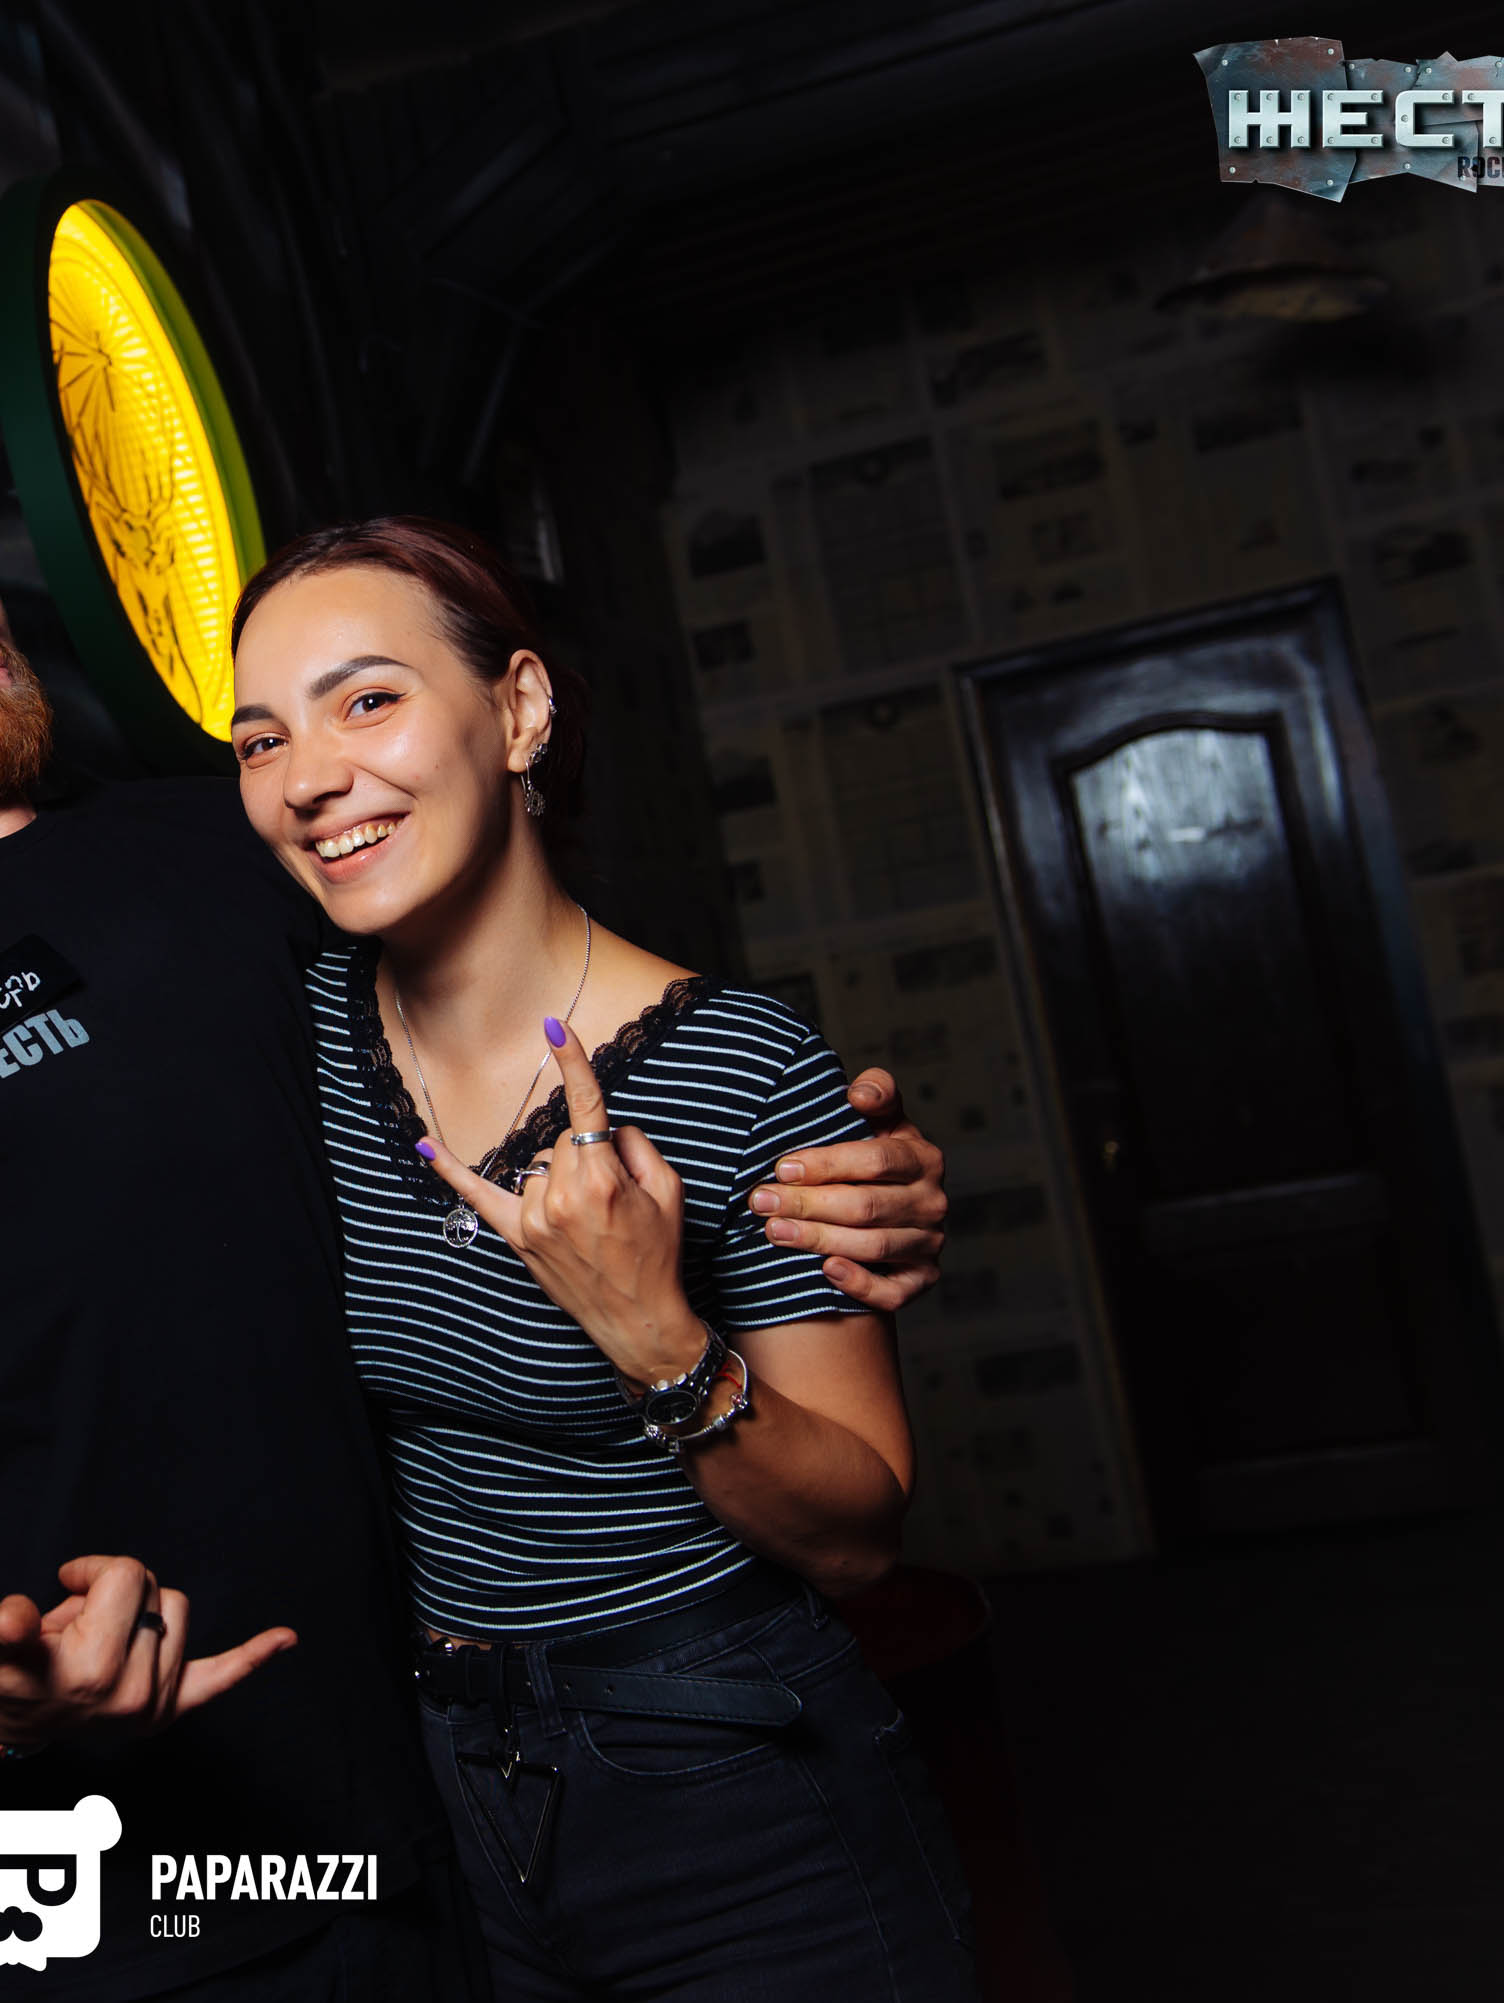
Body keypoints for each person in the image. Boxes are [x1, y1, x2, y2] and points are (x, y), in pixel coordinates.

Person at [0, 387, 951, 2003]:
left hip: (438, 1801)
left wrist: (833, 1168)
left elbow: (510, 1021)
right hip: (111, 1881)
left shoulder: (237, 849)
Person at [224, 516, 977, 2001]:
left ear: (519, 711)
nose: (308, 777)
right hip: (447, 1784)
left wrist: (654, 1336)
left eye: (367, 700)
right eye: (261, 739)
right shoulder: (279, 1047)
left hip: (731, 1782)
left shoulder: (740, 1070)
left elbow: (856, 1537)